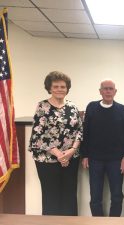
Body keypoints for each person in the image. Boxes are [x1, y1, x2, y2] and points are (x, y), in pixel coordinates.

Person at [28, 71, 83, 216]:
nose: (60, 89)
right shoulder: (42, 106)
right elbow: (37, 135)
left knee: (69, 195)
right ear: (49, 88)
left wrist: (72, 150)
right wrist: (58, 153)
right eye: (56, 86)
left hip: (71, 158)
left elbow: (80, 130)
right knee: (51, 196)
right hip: (47, 160)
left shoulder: (72, 106)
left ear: (67, 89)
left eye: (63, 87)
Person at [80, 79, 124, 217]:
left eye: (111, 89)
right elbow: (86, 132)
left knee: (117, 196)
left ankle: (113, 222)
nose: (108, 91)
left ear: (115, 91)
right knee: (95, 197)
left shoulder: (122, 109)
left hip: (116, 160)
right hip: (95, 159)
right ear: (100, 91)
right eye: (105, 88)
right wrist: (84, 155)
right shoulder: (91, 107)